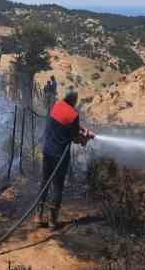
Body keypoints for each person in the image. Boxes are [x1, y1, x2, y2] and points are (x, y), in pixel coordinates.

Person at [36, 90, 93, 229]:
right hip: (60, 156)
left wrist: (83, 129)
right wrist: (86, 137)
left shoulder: (57, 105)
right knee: (57, 186)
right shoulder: (74, 115)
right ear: (74, 101)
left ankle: (38, 216)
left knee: (44, 181)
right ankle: (52, 220)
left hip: (47, 151)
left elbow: (66, 124)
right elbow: (75, 138)